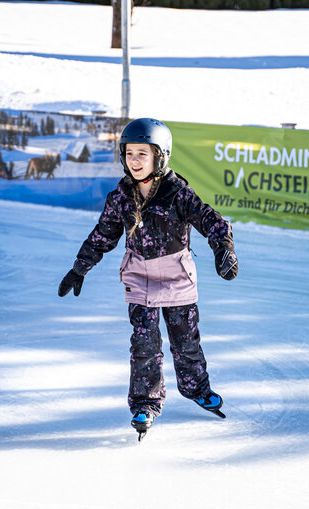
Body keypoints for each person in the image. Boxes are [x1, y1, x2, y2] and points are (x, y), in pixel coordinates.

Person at [57, 118, 238, 439]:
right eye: (129, 153)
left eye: (143, 153)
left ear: (160, 156)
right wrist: (79, 268)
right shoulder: (121, 197)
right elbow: (103, 235)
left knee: (186, 342)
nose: (135, 160)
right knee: (144, 344)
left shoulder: (178, 194)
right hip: (139, 276)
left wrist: (224, 248)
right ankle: (145, 403)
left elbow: (211, 220)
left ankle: (196, 387)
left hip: (177, 276)